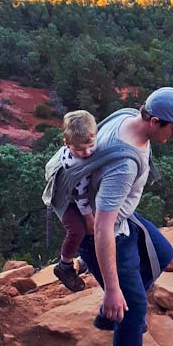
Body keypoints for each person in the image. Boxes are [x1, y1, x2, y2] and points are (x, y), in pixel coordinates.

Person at [77, 87, 173, 346]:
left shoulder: (128, 117)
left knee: (163, 254)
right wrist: (111, 289)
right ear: (155, 120)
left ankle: (116, 314)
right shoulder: (124, 163)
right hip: (108, 233)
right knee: (134, 309)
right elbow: (102, 228)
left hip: (121, 218)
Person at [53, 110, 97, 293]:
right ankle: (64, 265)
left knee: (94, 226)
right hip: (67, 199)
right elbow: (80, 197)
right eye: (79, 149)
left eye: (90, 146)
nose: (86, 153)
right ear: (67, 143)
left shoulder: (86, 145)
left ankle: (86, 261)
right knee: (78, 230)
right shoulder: (74, 165)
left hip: (80, 195)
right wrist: (89, 219)